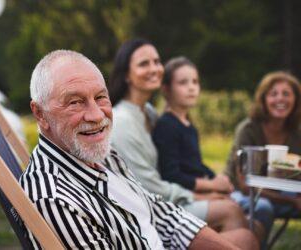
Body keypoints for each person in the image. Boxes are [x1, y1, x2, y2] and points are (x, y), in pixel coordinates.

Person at [19, 49, 257, 249]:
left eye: (101, 97)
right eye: (74, 102)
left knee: (245, 238)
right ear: (40, 114)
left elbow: (158, 212)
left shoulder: (100, 153)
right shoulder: (55, 199)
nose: (96, 115)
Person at [108, 39, 257, 244]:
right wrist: (198, 196)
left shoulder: (149, 113)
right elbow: (147, 187)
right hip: (149, 211)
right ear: (126, 74)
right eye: (144, 64)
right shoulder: (123, 121)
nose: (154, 68)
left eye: (157, 61)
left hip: (166, 199)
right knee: (230, 211)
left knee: (248, 225)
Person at [152, 56, 273, 245]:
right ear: (166, 89)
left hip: (198, 189)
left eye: (195, 82)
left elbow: (194, 164)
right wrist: (213, 187)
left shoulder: (188, 125)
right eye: (183, 82)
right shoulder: (167, 125)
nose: (192, 87)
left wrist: (217, 178)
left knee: (257, 223)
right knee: (236, 211)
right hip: (183, 198)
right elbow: (172, 174)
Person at [226, 71, 301, 226]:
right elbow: (245, 186)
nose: (280, 98)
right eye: (273, 94)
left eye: (286, 94)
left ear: (295, 100)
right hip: (240, 192)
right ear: (264, 99)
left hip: (284, 192)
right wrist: (292, 201)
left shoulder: (296, 133)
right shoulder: (248, 129)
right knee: (263, 207)